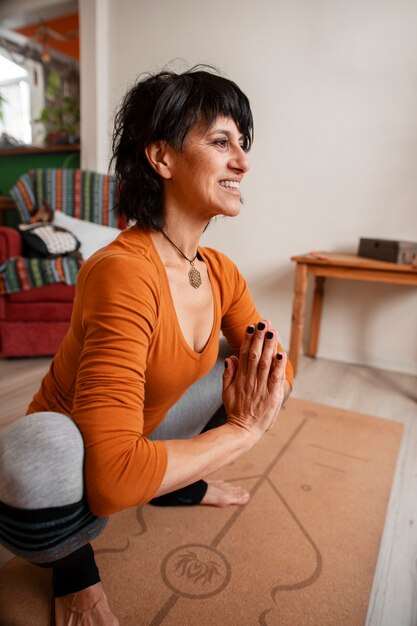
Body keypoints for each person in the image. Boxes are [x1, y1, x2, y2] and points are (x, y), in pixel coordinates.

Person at [0, 67, 293, 625]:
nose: (243, 162)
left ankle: (173, 488)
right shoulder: (121, 272)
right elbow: (109, 484)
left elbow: (279, 373)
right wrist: (243, 432)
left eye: (243, 144)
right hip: (73, 456)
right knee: (36, 456)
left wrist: (252, 407)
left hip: (137, 428)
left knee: (251, 366)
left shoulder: (220, 270)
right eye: (221, 142)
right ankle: (73, 568)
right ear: (161, 158)